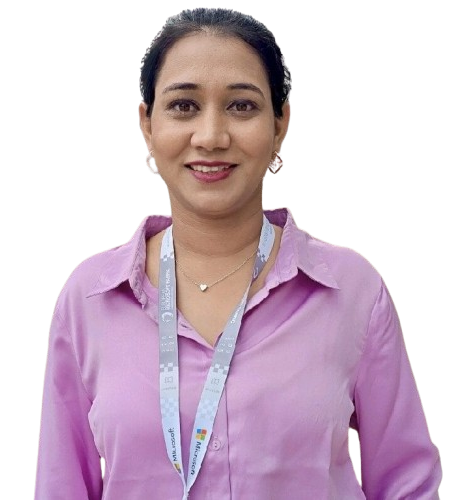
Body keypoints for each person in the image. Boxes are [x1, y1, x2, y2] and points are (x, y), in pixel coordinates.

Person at [34, 7, 442, 499]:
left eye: (242, 106)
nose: (211, 136)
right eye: (184, 105)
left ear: (280, 123)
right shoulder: (89, 297)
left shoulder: (352, 288)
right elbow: (61, 486)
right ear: (147, 124)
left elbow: (407, 485)